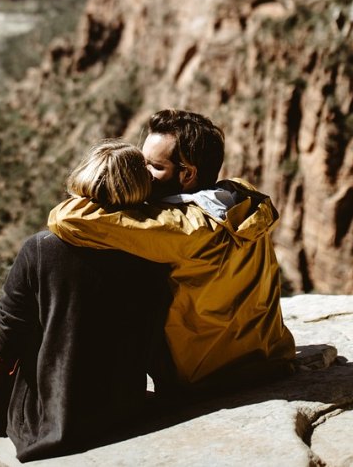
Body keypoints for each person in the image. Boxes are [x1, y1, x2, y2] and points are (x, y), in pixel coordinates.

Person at [48, 109, 296, 392]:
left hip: (201, 376)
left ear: (187, 174)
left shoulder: (180, 227)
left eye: (153, 166)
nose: (142, 172)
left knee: (61, 253)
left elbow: (66, 218)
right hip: (266, 356)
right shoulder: (241, 195)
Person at [0, 140, 170, 462]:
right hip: (123, 409)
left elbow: (6, 342)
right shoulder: (155, 252)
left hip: (50, 421)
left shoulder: (42, 248)